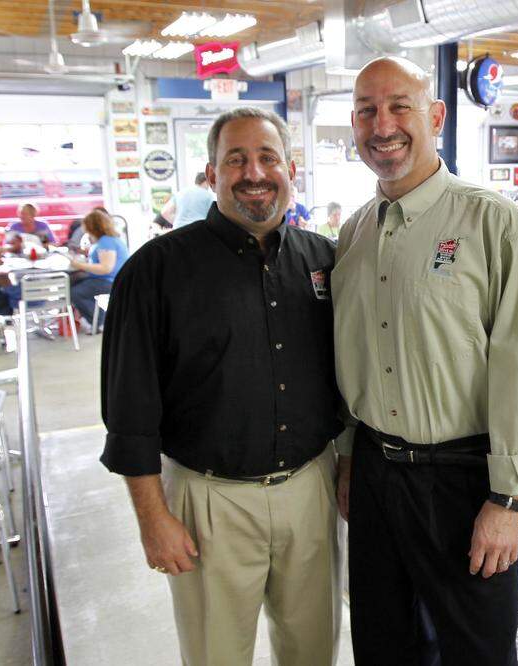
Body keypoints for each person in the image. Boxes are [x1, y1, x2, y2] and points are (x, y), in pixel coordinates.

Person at [333, 56, 518, 666]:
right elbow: (354, 359)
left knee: (477, 654)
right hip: (377, 476)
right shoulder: (352, 236)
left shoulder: (495, 224)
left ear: (435, 115)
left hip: (465, 483)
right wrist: (351, 458)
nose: (382, 125)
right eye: (366, 111)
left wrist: (508, 502)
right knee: (383, 646)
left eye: (399, 106)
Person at [100, 107, 344, 666]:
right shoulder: (154, 272)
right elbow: (129, 410)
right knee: (216, 654)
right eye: (235, 160)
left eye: (267, 157)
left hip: (311, 487)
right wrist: (153, 518)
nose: (253, 173)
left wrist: (347, 465)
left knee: (314, 650)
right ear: (211, 174)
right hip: (206, 502)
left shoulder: (324, 261)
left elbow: (346, 382)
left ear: (291, 169)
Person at [66, 210, 130, 333]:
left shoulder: (106, 241)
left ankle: (102, 320)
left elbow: (106, 268)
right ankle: (96, 319)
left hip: (110, 280)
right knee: (74, 286)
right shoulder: (109, 240)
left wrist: (80, 265)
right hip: (108, 279)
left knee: (75, 292)